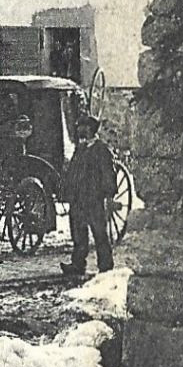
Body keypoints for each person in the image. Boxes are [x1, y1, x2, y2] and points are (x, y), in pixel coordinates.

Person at [60, 114, 118, 277]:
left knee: (99, 233)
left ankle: (105, 266)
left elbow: (108, 175)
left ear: (90, 129)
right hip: (78, 199)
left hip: (94, 199)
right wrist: (67, 191)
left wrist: (108, 195)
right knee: (78, 234)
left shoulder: (101, 149)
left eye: (82, 127)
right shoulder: (81, 149)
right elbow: (72, 173)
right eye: (79, 127)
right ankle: (78, 264)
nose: (79, 130)